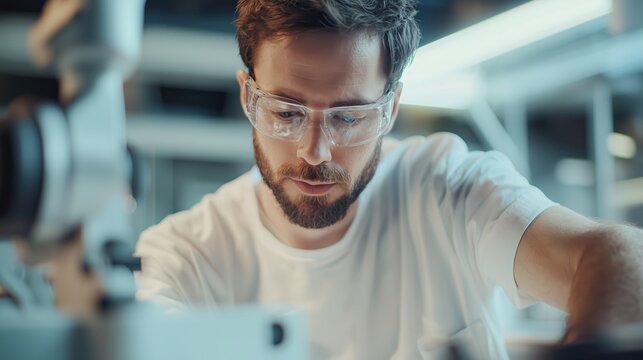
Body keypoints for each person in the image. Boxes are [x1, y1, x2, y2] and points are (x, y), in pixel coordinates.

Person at [133, 1, 643, 359]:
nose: (315, 151)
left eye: (349, 117)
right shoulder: (183, 256)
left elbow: (617, 254)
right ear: (248, 97)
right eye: (286, 112)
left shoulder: (449, 189)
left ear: (390, 108)